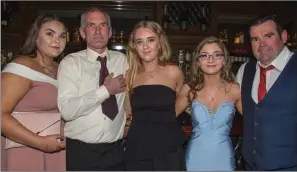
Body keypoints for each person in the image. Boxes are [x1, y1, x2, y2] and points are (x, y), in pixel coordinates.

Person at [57, 7, 128, 171]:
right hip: (80, 153)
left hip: (116, 152)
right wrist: (106, 91)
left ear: (110, 32)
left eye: (103, 25)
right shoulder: (70, 63)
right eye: (91, 25)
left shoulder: (123, 60)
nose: (97, 31)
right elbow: (67, 110)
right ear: (82, 32)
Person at [1, 13, 66, 171]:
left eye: (62, 36)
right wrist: (40, 142)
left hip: (57, 148)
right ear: (35, 37)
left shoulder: (63, 68)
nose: (57, 40)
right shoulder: (20, 66)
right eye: (50, 34)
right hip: (26, 148)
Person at [236, 14, 297, 171]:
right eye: (255, 39)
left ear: (283, 36)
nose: (261, 44)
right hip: (250, 166)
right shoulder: (245, 70)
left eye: (268, 36)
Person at [124, 21, 187, 171]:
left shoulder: (174, 72)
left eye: (151, 40)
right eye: (140, 42)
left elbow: (180, 107)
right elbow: (128, 114)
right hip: (137, 150)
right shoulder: (129, 76)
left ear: (160, 43)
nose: (145, 47)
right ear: (134, 47)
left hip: (168, 150)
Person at [176, 36, 242, 171]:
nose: (211, 60)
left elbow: (255, 122)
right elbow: (166, 118)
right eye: (204, 55)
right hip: (195, 158)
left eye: (217, 55)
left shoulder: (235, 89)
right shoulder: (189, 89)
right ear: (198, 61)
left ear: (224, 60)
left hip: (223, 158)